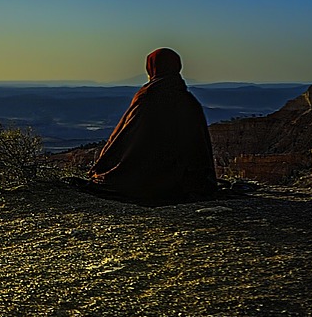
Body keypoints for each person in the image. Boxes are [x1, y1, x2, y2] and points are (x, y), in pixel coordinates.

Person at [82, 48, 219, 205]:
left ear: (152, 67)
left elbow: (124, 137)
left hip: (144, 179)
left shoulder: (148, 97)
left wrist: (105, 164)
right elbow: (199, 150)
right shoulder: (189, 101)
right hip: (186, 183)